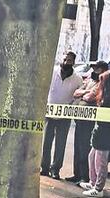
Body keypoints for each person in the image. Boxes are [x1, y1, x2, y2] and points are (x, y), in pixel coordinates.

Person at [81, 64, 110, 198]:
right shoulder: (108, 94)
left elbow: (91, 99)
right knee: (92, 157)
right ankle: (93, 182)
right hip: (100, 130)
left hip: (106, 132)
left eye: (102, 81)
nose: (99, 83)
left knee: (100, 161)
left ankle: (98, 188)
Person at [41, 51, 81, 180]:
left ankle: (55, 169)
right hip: (49, 112)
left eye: (69, 60)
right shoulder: (51, 72)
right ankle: (44, 168)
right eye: (64, 59)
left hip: (65, 115)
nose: (66, 62)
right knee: (46, 142)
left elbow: (78, 97)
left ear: (73, 62)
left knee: (60, 143)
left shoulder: (77, 79)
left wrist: (71, 107)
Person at [68, 62, 101, 184]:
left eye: (96, 68)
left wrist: (84, 94)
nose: (94, 70)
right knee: (77, 146)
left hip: (90, 120)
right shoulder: (89, 81)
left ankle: (85, 177)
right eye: (93, 68)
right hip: (80, 117)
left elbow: (90, 97)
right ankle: (77, 174)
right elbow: (76, 93)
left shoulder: (101, 83)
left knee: (85, 147)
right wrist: (85, 92)